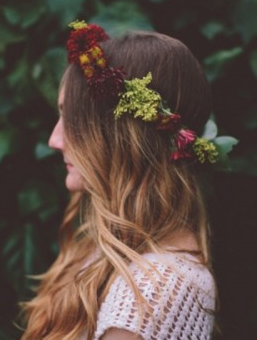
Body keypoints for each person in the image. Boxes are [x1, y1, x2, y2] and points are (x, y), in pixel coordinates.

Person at [20, 20, 231, 340]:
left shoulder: (158, 288)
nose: (54, 139)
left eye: (73, 120)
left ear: (121, 136)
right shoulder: (112, 252)